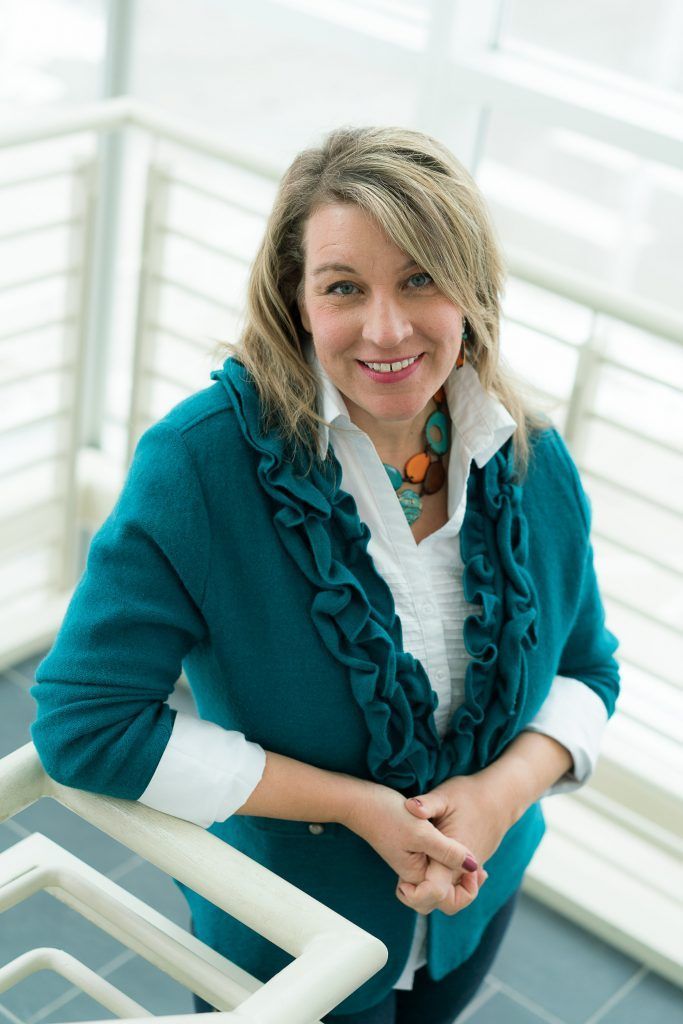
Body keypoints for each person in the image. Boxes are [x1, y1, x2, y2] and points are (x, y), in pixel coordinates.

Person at [30, 125, 620, 1023]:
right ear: (295, 301)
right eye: (344, 287)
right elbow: (84, 723)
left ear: (472, 287)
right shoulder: (201, 465)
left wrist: (499, 798)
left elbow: (587, 670)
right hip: (285, 946)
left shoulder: (534, 459)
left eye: (420, 277)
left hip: (474, 908)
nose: (386, 328)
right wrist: (355, 808)